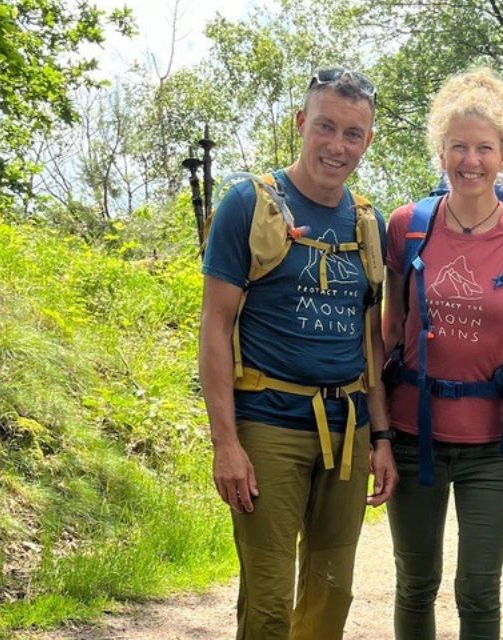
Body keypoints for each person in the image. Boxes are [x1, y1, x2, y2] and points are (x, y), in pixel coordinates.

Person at [198, 67, 398, 640]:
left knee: (331, 594)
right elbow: (215, 327)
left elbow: (371, 339)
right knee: (267, 602)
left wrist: (380, 437)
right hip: (267, 426)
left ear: (368, 139)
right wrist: (226, 444)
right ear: (300, 123)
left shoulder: (367, 222)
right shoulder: (249, 203)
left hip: (348, 428)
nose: (337, 146)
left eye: (353, 134)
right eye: (326, 127)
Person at [381, 67, 503, 640]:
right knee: (415, 583)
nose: (471, 160)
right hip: (413, 437)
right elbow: (388, 335)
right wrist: (378, 437)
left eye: (484, 147)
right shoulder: (408, 228)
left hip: (492, 445)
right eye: (458, 146)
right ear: (441, 149)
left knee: (479, 592)